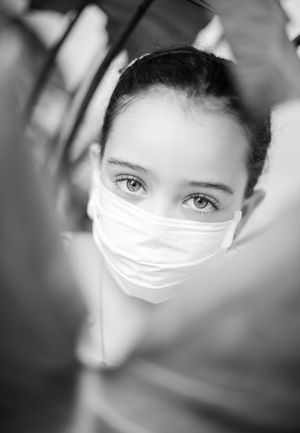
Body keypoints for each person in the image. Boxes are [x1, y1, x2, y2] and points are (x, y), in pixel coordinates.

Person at [68, 46, 271, 367]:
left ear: (242, 215)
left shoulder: (261, 357)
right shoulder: (18, 277)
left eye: (200, 201)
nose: (155, 223)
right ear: (98, 170)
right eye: (131, 182)